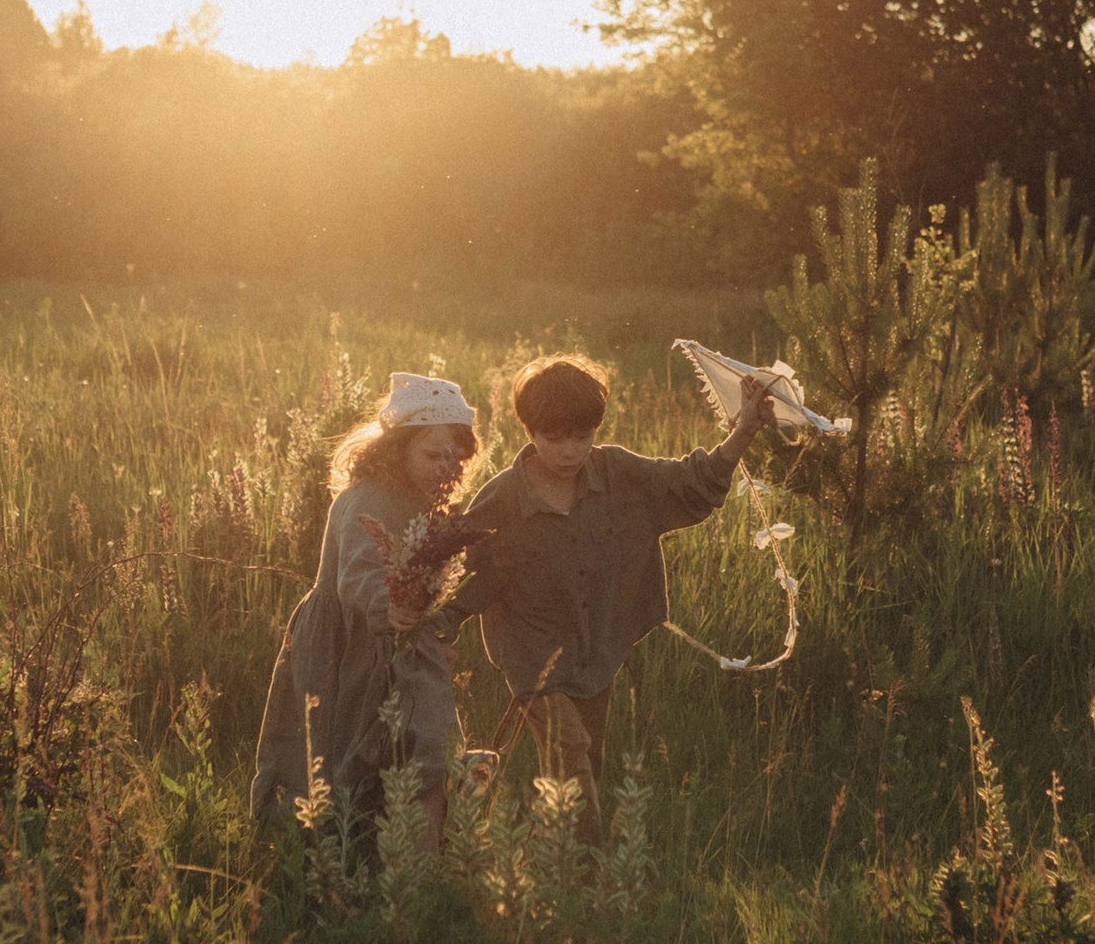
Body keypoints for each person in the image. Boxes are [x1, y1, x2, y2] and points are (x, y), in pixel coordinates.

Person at [461, 353, 772, 818]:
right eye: (555, 439)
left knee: (585, 763)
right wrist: (437, 631)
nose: (571, 451)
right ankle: (589, 861)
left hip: (596, 647)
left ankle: (556, 852)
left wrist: (745, 429)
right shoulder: (503, 498)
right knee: (569, 751)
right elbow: (463, 574)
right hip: (532, 656)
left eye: (583, 437)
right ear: (528, 431)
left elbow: (691, 483)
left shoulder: (618, 474)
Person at [251, 371, 482, 848]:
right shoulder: (366, 496)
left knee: (426, 744)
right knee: (336, 748)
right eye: (432, 454)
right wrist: (387, 603)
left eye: (456, 456)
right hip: (345, 642)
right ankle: (327, 847)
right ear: (397, 448)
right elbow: (356, 571)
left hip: (403, 642)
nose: (445, 465)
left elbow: (434, 582)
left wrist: (434, 631)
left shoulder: (430, 500)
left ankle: (422, 858)